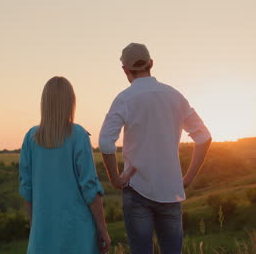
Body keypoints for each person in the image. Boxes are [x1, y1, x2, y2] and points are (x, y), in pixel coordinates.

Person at [99, 43, 212, 254]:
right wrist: (187, 178)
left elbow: (105, 143)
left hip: (137, 190)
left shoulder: (124, 99)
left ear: (125, 70)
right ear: (151, 64)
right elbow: (204, 137)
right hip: (171, 191)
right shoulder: (174, 96)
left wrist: (115, 178)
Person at [19, 76, 118, 254]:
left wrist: (36, 228)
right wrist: (103, 229)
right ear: (70, 102)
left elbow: (27, 190)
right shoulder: (78, 135)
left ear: (45, 103)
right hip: (78, 235)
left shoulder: (30, 138)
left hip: (42, 238)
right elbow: (89, 187)